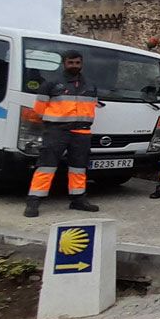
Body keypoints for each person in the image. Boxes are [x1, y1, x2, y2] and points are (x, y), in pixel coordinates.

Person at [24, 49, 100, 217]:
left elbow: (91, 107)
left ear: (82, 64)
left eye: (77, 63)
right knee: (46, 166)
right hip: (56, 131)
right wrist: (54, 123)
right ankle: (33, 201)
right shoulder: (51, 84)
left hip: (81, 132)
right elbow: (39, 110)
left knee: (79, 168)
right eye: (71, 62)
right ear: (64, 63)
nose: (74, 66)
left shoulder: (90, 85)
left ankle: (78, 199)